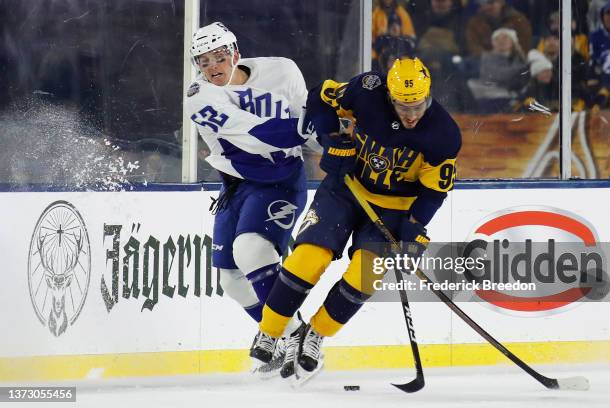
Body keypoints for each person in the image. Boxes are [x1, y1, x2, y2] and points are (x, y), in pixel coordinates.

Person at [249, 58, 461, 381]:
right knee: (307, 260)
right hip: (345, 190)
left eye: (417, 105)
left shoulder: (443, 134)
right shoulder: (366, 91)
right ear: (390, 96)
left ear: (428, 96)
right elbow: (320, 96)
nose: (411, 114)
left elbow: (434, 192)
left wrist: (415, 228)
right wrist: (331, 138)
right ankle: (271, 331)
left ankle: (315, 336)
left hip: (394, 209)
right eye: (403, 106)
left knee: (365, 278)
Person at [185, 21, 317, 375]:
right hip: (237, 185)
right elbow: (257, 133)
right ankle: (289, 335)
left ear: (235, 53)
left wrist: (339, 141)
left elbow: (310, 127)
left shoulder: (283, 70)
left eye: (219, 57)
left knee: (251, 251)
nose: (212, 67)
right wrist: (312, 126)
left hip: (281, 180)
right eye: (203, 61)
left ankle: (293, 339)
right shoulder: (199, 96)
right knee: (229, 279)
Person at [465, 0, 532, 57]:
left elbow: (525, 46)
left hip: (515, 63)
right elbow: (474, 48)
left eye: (491, 2)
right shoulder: (474, 24)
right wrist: (491, 57)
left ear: (501, 2)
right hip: (485, 65)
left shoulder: (518, 20)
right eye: (483, 3)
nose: (487, 7)